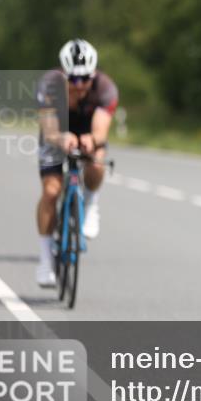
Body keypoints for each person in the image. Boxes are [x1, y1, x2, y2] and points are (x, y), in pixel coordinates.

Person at [34, 39, 118, 287]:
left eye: (84, 79)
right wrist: (61, 138)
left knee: (97, 162)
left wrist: (92, 139)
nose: (79, 85)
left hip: (86, 130)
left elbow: (101, 130)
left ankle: (90, 203)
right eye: (73, 79)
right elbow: (49, 128)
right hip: (56, 133)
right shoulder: (49, 85)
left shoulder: (105, 88)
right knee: (51, 192)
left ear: (94, 75)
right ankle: (45, 260)